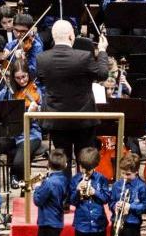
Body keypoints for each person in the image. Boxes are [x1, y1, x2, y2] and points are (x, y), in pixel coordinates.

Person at [35, 20, 110, 175]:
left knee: (63, 162)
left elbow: (42, 80)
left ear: (53, 37)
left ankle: (64, 187)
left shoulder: (42, 58)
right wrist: (102, 51)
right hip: (83, 118)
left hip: (57, 119)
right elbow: (103, 74)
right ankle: (84, 188)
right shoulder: (84, 56)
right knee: (86, 161)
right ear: (71, 36)